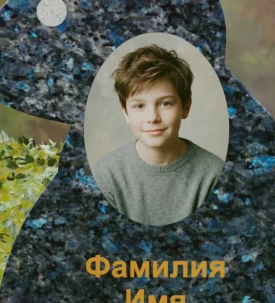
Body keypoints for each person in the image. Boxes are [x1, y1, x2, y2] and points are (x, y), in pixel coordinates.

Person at [92, 44, 224, 226]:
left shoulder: (214, 174)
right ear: (126, 113)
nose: (153, 117)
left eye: (165, 103)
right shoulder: (107, 174)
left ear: (185, 108)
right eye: (139, 106)